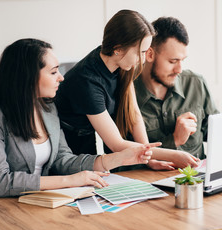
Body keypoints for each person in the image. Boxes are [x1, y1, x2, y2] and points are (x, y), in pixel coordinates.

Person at [0, 38, 161, 197]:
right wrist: (68, 181)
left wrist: (117, 159)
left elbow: (63, 159)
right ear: (28, 77)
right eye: (53, 72)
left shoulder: (48, 108)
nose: (61, 77)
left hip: (36, 201)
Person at [55, 10, 199, 170]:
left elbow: (133, 113)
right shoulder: (87, 82)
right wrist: (174, 154)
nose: (144, 59)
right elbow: (116, 144)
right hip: (67, 148)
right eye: (141, 52)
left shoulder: (123, 62)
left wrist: (148, 158)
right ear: (118, 49)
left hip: (86, 140)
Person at [134, 17, 219, 159]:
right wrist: (174, 141)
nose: (179, 69)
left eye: (182, 61)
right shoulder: (126, 95)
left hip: (198, 179)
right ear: (149, 54)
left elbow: (218, 135)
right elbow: (120, 165)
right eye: (173, 61)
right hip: (148, 180)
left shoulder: (195, 83)